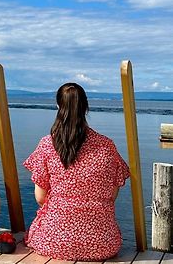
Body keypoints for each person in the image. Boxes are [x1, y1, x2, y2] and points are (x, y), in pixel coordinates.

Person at [23, 82, 130, 261]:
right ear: (86, 106)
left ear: (58, 105)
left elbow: (40, 198)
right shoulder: (106, 146)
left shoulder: (47, 145)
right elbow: (111, 195)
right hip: (103, 244)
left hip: (53, 242)